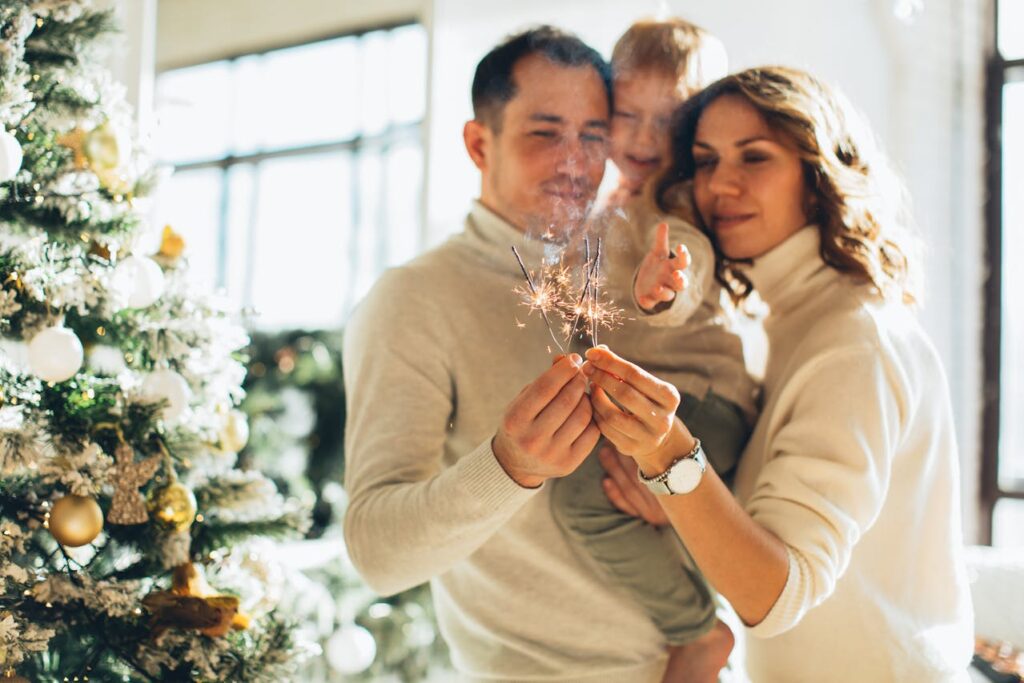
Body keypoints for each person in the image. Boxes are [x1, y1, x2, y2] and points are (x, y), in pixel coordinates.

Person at [582, 65, 975, 682]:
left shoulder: (854, 343)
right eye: (707, 161)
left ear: (819, 175)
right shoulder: (793, 324)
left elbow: (778, 593)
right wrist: (679, 508)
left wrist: (666, 449)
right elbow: (775, 527)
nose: (721, 185)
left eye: (755, 158)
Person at [343, 26, 675, 682]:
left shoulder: (637, 270)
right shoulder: (415, 299)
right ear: (478, 143)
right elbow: (376, 554)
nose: (575, 162)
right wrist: (508, 467)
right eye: (545, 133)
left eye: (593, 135)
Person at [548, 18, 754, 683]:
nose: (639, 137)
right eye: (625, 115)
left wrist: (658, 291)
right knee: (590, 491)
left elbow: (684, 279)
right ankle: (696, 609)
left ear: (693, 130)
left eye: (663, 121)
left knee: (579, 495)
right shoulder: (605, 209)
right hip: (656, 407)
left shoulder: (677, 203)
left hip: (702, 405)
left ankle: (697, 630)